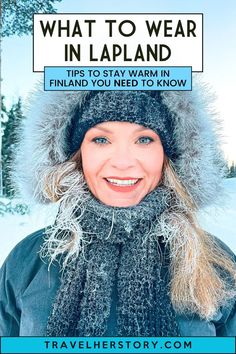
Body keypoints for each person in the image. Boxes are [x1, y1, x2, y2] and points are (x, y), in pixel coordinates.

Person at [0, 88, 236, 337]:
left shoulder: (216, 263)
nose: (123, 162)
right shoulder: (28, 261)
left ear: (169, 156)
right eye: (101, 140)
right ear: (77, 156)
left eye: (144, 139)